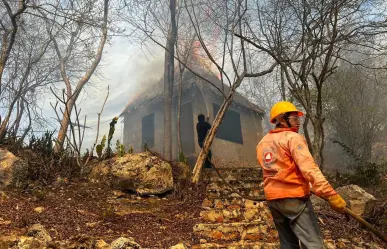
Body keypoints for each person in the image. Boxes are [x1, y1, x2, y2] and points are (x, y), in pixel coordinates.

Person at [256, 101, 347, 249]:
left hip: (273, 200)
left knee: (288, 244)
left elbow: (276, 170)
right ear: (281, 119)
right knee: (313, 245)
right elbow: (309, 168)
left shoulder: (262, 143)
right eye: (294, 118)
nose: (298, 122)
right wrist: (331, 194)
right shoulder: (292, 138)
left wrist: (310, 186)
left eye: (298, 119)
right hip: (294, 200)